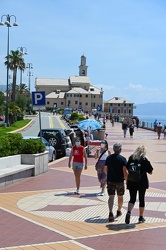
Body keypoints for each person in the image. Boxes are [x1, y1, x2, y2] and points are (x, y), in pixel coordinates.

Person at [124, 145, 153, 224]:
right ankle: (140, 217)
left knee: (132, 198)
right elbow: (150, 171)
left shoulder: (131, 158)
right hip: (142, 182)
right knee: (141, 199)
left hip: (132, 181)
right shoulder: (144, 159)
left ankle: (129, 212)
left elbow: (126, 168)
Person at [104, 143, 127, 222]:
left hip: (110, 180)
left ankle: (110, 212)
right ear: (120, 150)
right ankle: (119, 210)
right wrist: (127, 181)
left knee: (111, 196)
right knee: (120, 196)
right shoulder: (123, 159)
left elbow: (105, 169)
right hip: (120, 181)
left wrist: (109, 174)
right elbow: (125, 171)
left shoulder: (109, 158)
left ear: (113, 149)